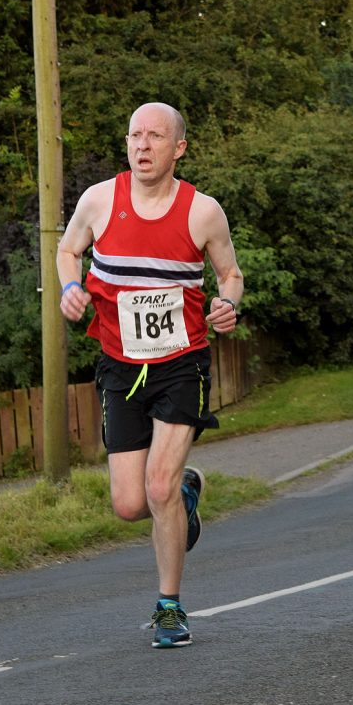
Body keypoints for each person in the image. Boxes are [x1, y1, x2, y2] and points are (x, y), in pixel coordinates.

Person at [57, 102, 243, 648]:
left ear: (178, 148)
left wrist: (228, 303)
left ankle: (169, 608)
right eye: (135, 135)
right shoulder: (99, 200)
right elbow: (67, 251)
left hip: (180, 363)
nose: (142, 146)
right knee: (129, 505)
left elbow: (230, 274)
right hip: (119, 365)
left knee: (155, 487)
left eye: (155, 137)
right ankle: (187, 494)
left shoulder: (201, 212)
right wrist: (71, 288)